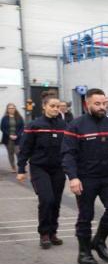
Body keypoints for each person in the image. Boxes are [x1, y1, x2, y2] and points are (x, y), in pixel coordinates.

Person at [62, 88, 108, 264]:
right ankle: (84, 252)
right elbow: (68, 154)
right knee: (86, 216)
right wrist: (73, 177)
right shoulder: (76, 125)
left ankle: (99, 241)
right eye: (97, 104)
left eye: (104, 103)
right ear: (87, 104)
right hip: (85, 178)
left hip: (107, 177)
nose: (102, 107)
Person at [16, 95, 67, 249]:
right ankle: (44, 233)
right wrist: (21, 169)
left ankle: (53, 232)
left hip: (58, 168)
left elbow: (69, 147)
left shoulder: (63, 125)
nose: (56, 109)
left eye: (58, 106)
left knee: (56, 201)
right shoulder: (35, 125)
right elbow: (25, 148)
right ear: (44, 106)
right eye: (52, 106)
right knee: (47, 199)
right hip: (40, 168)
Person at [1, 103, 24, 172]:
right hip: (8, 138)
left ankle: (20, 167)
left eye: (13, 108)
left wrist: (17, 135)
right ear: (7, 110)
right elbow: (2, 128)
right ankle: (13, 167)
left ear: (15, 108)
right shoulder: (4, 118)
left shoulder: (19, 117)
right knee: (10, 153)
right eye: (10, 108)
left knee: (18, 152)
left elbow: (22, 127)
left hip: (18, 138)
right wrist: (9, 135)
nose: (11, 109)